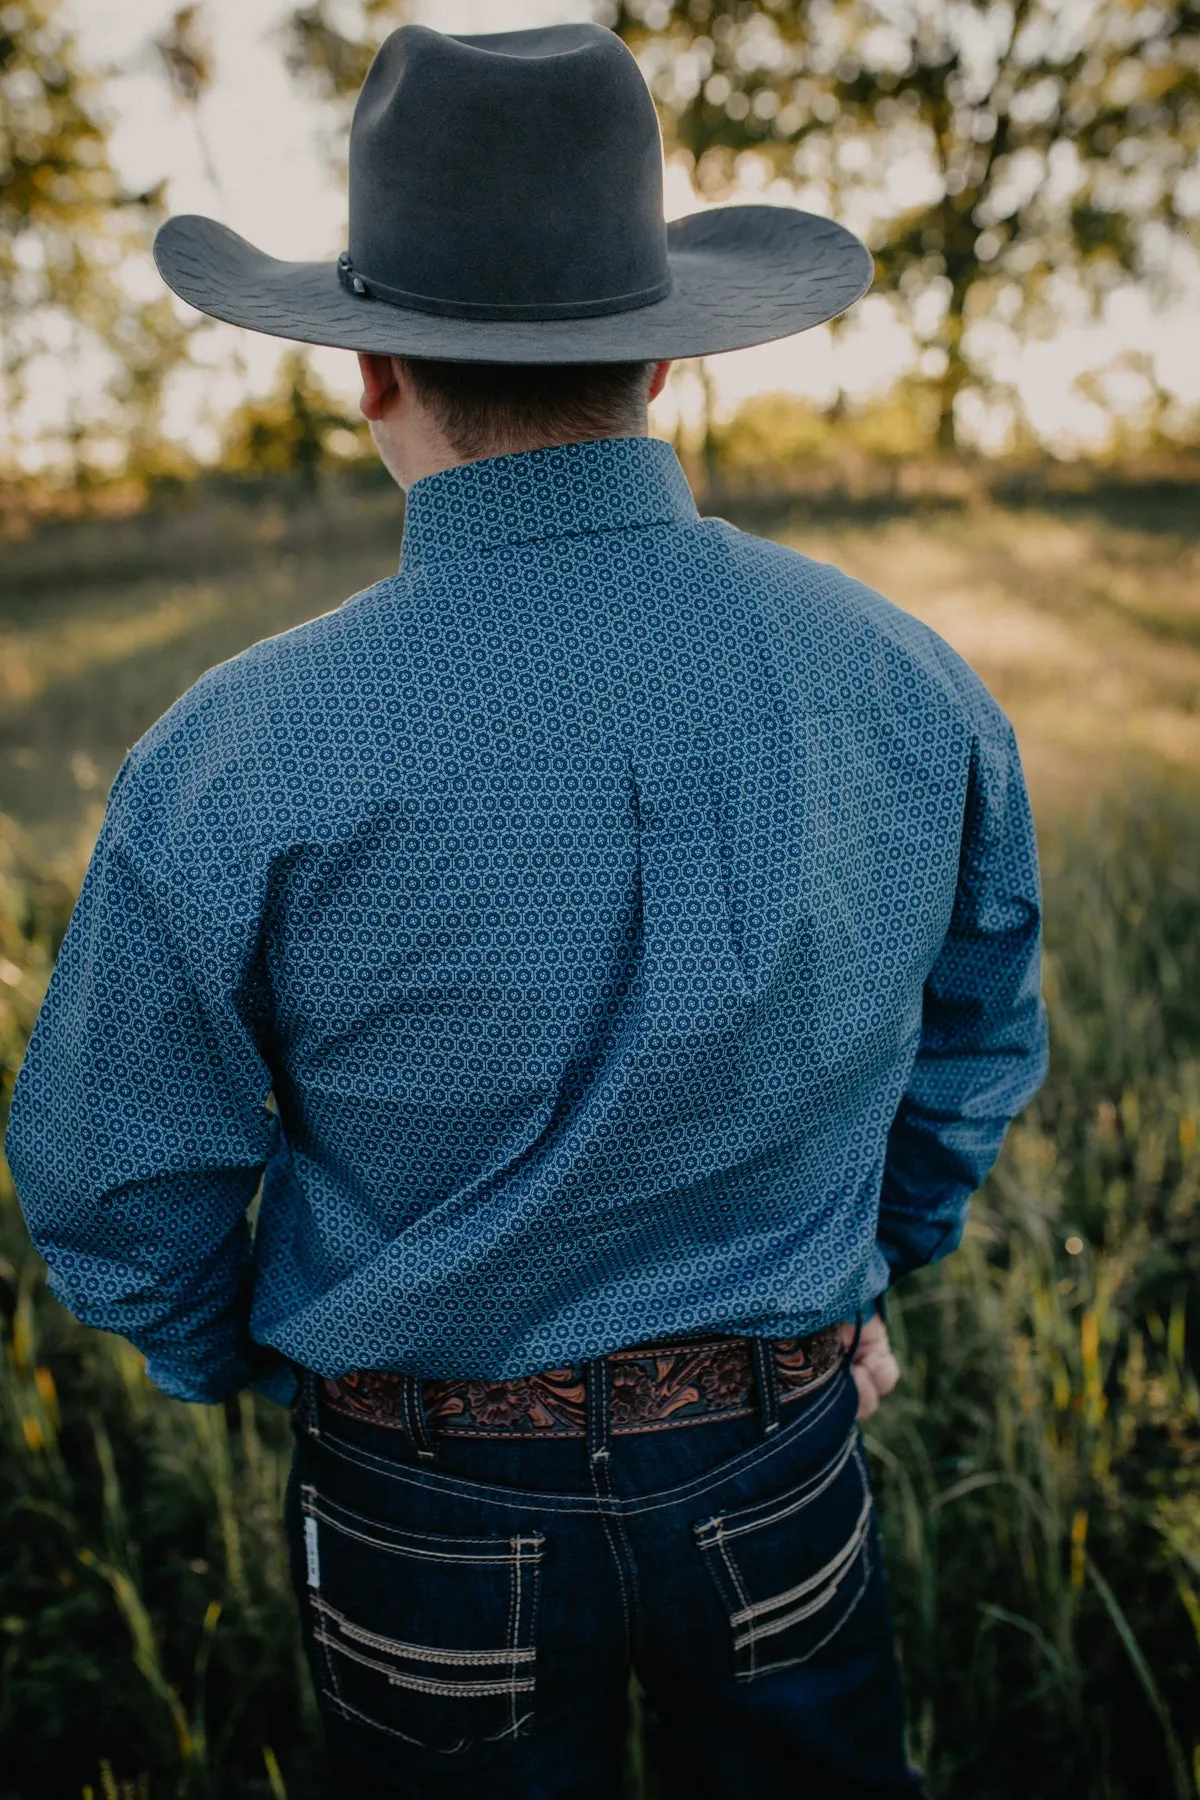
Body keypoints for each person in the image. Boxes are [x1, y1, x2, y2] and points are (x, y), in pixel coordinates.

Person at [6, 22, 1048, 1800]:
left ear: (366, 374)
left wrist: (255, 1362)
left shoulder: (235, 752)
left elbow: (113, 1176)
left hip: (419, 1486)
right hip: (784, 1443)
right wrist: (877, 1267)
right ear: (663, 366)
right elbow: (974, 1042)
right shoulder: (904, 677)